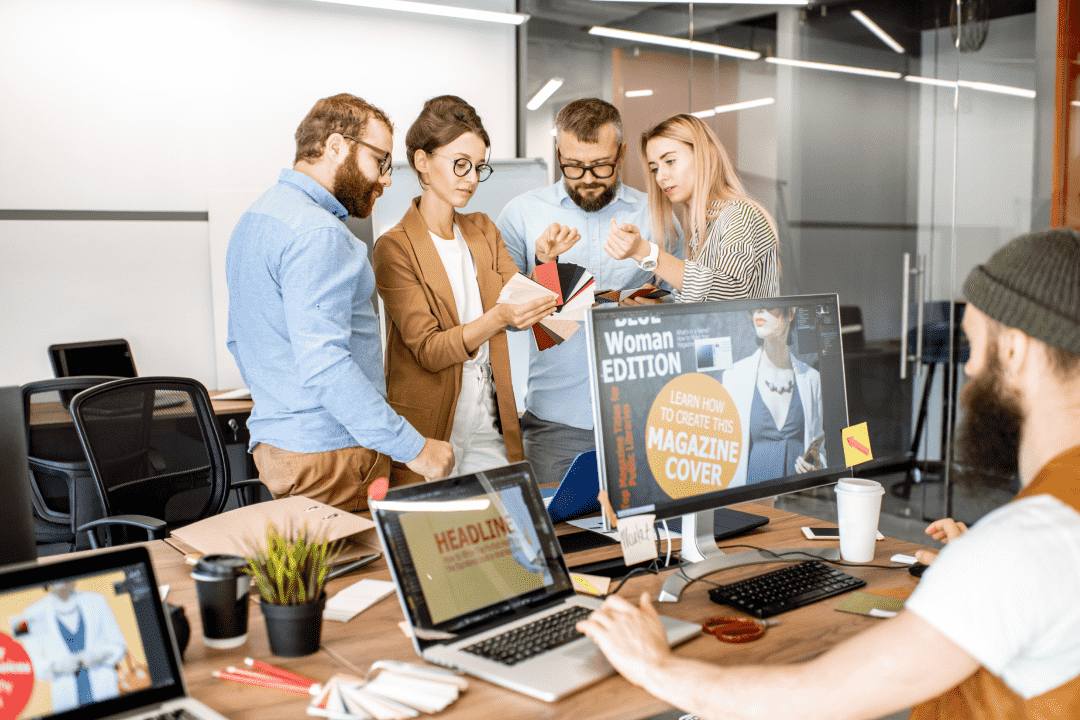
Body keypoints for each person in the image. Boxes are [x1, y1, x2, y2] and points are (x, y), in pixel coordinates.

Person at [578, 227, 1080, 720]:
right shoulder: (1040, 537)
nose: (968, 375)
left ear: (1014, 349)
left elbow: (818, 697)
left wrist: (655, 665)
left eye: (973, 351)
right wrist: (971, 571)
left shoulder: (1026, 547)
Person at [227, 94, 454, 511]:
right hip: (332, 454)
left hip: (281, 447)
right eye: (380, 161)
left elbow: (240, 341)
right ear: (335, 146)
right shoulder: (319, 234)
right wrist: (414, 449)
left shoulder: (258, 219)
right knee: (360, 575)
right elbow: (326, 365)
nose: (386, 179)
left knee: (314, 577)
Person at [496, 98, 679, 487]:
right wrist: (545, 268)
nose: (587, 178)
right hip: (556, 426)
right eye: (574, 166)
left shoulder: (658, 215)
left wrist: (651, 308)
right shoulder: (522, 215)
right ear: (559, 154)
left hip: (645, 418)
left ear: (622, 153)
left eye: (601, 165)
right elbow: (506, 321)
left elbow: (688, 304)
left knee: (649, 539)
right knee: (564, 543)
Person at [374, 96, 555, 483]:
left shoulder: (483, 229)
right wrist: (496, 318)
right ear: (422, 161)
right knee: (436, 538)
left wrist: (545, 264)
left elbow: (524, 309)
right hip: (431, 424)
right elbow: (430, 350)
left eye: (478, 167)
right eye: (460, 164)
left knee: (502, 526)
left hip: (489, 410)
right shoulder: (394, 247)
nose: (471, 178)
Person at [604, 113, 779, 303]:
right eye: (655, 168)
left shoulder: (739, 213)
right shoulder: (702, 228)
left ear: (705, 155)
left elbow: (729, 292)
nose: (660, 177)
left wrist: (645, 251)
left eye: (670, 161)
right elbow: (707, 306)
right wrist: (664, 305)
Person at [723, 307, 824, 486]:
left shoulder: (811, 379)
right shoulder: (734, 376)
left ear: (791, 312)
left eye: (770, 305)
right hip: (753, 500)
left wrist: (817, 466)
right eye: (755, 304)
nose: (760, 310)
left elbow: (819, 447)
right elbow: (724, 454)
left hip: (799, 498)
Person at [22, 582, 127, 713]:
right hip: (66, 701)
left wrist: (98, 656)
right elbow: (34, 664)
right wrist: (57, 667)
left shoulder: (96, 601)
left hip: (105, 692)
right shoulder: (31, 613)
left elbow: (120, 646)